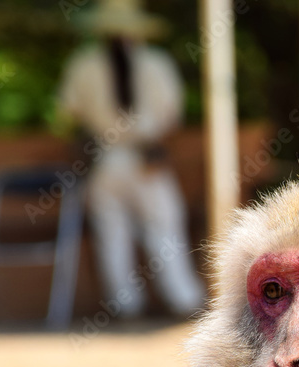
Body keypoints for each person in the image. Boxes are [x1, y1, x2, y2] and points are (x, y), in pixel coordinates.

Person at [58, 0, 205, 319]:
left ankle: (125, 306)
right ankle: (183, 300)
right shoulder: (157, 63)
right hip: (147, 159)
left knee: (111, 234)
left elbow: (71, 115)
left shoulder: (82, 64)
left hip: (105, 161)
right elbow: (172, 118)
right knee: (164, 228)